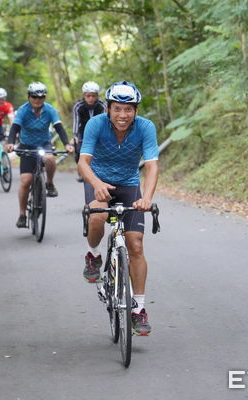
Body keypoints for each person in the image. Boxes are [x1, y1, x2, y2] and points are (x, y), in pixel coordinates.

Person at [78, 81, 159, 336]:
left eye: (128, 110)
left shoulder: (145, 127)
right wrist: (96, 183)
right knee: (98, 217)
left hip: (129, 184)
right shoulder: (96, 125)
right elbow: (83, 161)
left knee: (135, 244)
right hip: (98, 180)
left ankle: (139, 310)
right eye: (117, 109)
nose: (123, 115)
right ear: (108, 109)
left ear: (135, 110)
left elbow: (152, 166)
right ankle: (93, 254)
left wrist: (146, 198)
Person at [6, 82, 74, 228]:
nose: (37, 100)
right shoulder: (23, 110)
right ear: (29, 97)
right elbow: (15, 128)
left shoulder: (49, 109)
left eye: (41, 97)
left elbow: (59, 128)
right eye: (34, 97)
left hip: (43, 144)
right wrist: (11, 142)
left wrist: (67, 144)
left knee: (49, 158)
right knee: (26, 181)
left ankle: (49, 183)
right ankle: (22, 214)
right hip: (27, 146)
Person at [71, 81, 106, 182]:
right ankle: (81, 171)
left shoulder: (102, 105)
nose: (91, 98)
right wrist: (75, 136)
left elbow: (104, 121)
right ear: (84, 95)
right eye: (88, 96)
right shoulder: (78, 106)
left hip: (98, 132)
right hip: (82, 132)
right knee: (78, 149)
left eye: (93, 96)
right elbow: (76, 121)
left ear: (97, 96)